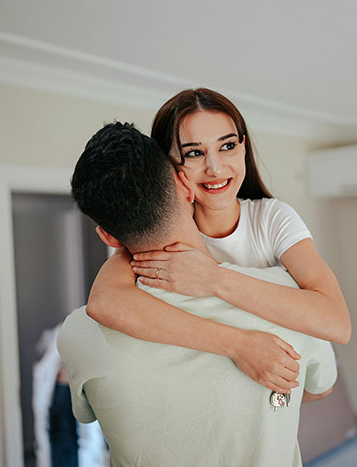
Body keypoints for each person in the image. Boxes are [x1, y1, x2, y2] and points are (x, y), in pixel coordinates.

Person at [58, 122, 337, 466]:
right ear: (185, 186)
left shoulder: (76, 335)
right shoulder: (289, 301)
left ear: (108, 237)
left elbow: (86, 415)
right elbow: (319, 388)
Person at [85, 89, 351, 393]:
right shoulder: (159, 232)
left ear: (243, 149)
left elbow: (337, 323)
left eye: (227, 146)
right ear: (169, 169)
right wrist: (238, 345)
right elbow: (105, 303)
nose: (215, 168)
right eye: (194, 153)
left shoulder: (273, 219)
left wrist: (214, 279)